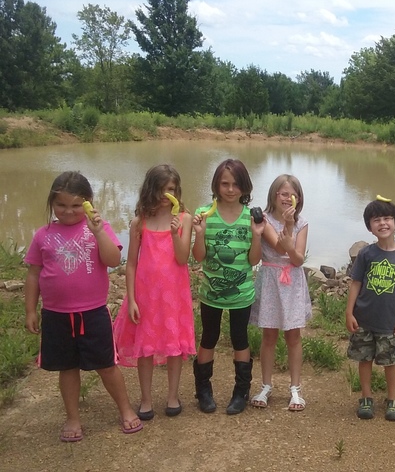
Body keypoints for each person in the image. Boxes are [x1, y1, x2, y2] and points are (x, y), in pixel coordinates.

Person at [24, 171, 142, 442]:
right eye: (61, 205)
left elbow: (113, 260)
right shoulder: (43, 235)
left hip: (93, 312)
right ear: (52, 204)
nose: (68, 211)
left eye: (76, 205)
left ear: (89, 202)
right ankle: (73, 417)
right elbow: (33, 273)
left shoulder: (98, 229)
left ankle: (125, 409)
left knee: (107, 365)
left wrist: (98, 232)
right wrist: (31, 309)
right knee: (67, 368)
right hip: (55, 315)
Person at [113, 164, 196, 420]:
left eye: (170, 189)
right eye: (160, 189)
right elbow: (132, 264)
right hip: (146, 296)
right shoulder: (140, 222)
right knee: (145, 348)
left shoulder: (184, 219)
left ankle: (173, 395)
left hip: (175, 295)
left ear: (177, 191)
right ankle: (146, 398)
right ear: (150, 190)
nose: (165, 194)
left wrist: (174, 234)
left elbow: (183, 259)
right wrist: (132, 299)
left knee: (173, 347)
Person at [192, 159, 265, 415]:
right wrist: (199, 233)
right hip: (210, 293)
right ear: (216, 185)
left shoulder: (251, 217)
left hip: (241, 293)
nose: (230, 189)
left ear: (245, 186)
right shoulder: (204, 213)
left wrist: (257, 235)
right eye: (225, 184)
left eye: (236, 184)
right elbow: (198, 257)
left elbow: (254, 260)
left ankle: (240, 391)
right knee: (208, 337)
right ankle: (203, 390)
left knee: (239, 339)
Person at [345, 198, 395, 421]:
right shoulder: (366, 254)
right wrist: (349, 312)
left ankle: (392, 399)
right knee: (364, 359)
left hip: (390, 322)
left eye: (387, 219)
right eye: (377, 220)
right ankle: (366, 397)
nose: (383, 224)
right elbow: (355, 282)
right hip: (364, 318)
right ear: (369, 226)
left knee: (390, 362)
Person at [249, 174, 312, 412]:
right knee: (269, 336)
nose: (288, 198)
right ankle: (266, 385)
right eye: (284, 193)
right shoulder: (262, 220)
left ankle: (295, 388)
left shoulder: (302, 223)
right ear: (274, 195)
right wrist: (286, 229)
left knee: (294, 336)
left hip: (292, 281)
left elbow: (297, 259)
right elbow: (277, 246)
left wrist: (290, 236)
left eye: (293, 194)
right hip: (270, 280)